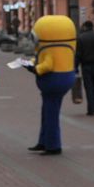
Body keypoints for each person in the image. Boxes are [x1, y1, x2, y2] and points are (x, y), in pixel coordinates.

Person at [29, 13, 79, 155]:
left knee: (51, 115)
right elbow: (42, 58)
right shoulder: (59, 46)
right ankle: (43, 141)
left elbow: (47, 65)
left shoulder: (48, 49)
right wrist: (32, 62)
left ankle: (53, 145)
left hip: (54, 79)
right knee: (47, 111)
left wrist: (34, 68)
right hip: (66, 76)